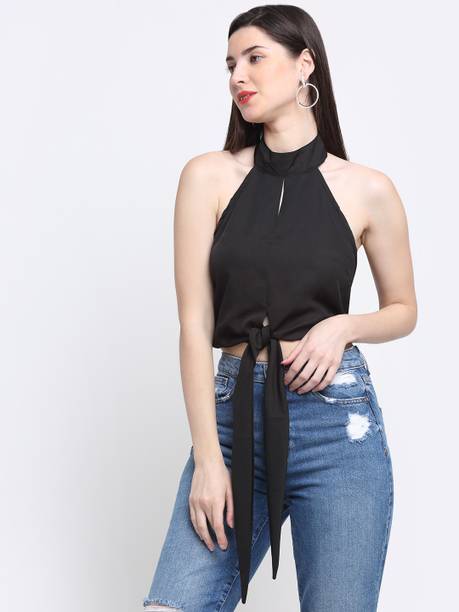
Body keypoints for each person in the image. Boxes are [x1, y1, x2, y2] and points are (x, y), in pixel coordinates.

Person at [142, 5, 417, 611]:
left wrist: (343, 326)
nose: (238, 76)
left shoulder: (368, 188)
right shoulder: (208, 177)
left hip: (336, 428)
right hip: (232, 425)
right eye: (230, 65)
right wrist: (208, 459)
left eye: (254, 58)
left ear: (304, 65)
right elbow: (194, 323)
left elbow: (403, 309)